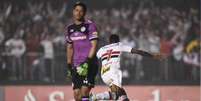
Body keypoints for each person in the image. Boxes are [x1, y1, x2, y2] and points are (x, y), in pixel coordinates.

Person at [91, 34, 163, 101]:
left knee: (123, 96)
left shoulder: (102, 49)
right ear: (118, 40)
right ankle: (95, 97)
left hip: (104, 74)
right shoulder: (119, 45)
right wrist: (152, 56)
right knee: (115, 95)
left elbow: (92, 59)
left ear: (109, 41)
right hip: (113, 72)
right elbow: (137, 51)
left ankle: (96, 97)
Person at [64, 2, 99, 101]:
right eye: (76, 10)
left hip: (90, 63)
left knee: (84, 91)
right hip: (76, 65)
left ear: (84, 13)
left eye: (81, 11)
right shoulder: (70, 28)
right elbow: (69, 47)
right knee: (76, 95)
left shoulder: (90, 26)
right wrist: (69, 65)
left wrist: (87, 62)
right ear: (73, 12)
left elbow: (94, 45)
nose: (78, 13)